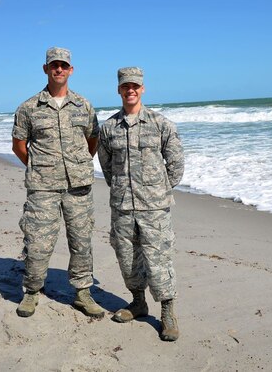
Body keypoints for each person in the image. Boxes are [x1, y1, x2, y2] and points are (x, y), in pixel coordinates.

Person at [12, 47, 104, 319]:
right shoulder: (29, 107)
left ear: (71, 70)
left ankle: (83, 293)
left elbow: (93, 141)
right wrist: (41, 168)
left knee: (81, 241)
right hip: (43, 188)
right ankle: (31, 291)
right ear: (46, 69)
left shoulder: (84, 105)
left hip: (78, 187)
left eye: (64, 65)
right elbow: (19, 146)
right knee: (38, 242)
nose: (59, 69)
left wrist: (78, 165)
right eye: (54, 65)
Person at [97, 67, 184, 341]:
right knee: (127, 259)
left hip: (154, 209)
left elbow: (176, 165)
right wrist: (125, 190)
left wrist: (157, 192)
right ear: (119, 90)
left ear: (142, 88)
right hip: (122, 207)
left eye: (135, 86)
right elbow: (107, 166)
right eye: (125, 86)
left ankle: (168, 312)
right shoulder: (109, 128)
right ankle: (138, 302)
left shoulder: (161, 124)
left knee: (158, 260)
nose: (130, 90)